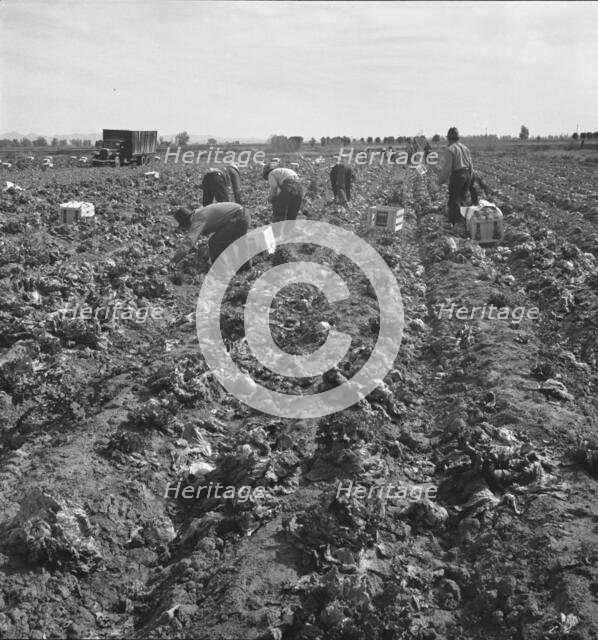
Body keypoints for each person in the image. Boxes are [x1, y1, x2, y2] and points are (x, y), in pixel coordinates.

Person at [171, 202, 251, 266]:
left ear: (186, 223)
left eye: (186, 227)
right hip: (243, 214)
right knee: (229, 240)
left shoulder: (198, 219)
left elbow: (189, 241)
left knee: (214, 242)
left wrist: (175, 260)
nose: (187, 229)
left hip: (238, 218)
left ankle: (220, 269)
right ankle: (246, 266)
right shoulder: (200, 212)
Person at [433, 127, 473, 225]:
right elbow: (471, 166)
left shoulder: (450, 149)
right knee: (462, 199)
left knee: (454, 201)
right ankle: (465, 223)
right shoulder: (465, 148)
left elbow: (447, 169)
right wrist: (469, 178)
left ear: (449, 139)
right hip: (467, 174)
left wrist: (439, 182)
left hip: (458, 175)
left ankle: (456, 225)